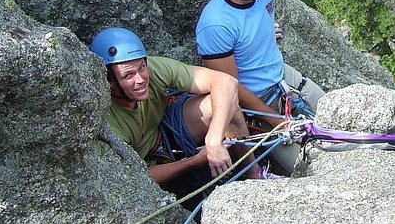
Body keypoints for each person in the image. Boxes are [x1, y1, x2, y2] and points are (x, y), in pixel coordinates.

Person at [195, 0, 325, 174]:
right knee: (309, 169)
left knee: (340, 115)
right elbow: (229, 86)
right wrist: (275, 121)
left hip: (285, 77)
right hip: (257, 104)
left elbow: (257, 19)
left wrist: (264, 33)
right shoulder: (215, 24)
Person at [89, 26, 268, 204]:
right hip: (146, 164)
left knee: (226, 104)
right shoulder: (107, 121)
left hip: (164, 130)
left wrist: (213, 140)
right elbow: (132, 175)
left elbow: (225, 82)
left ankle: (254, 175)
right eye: (128, 75)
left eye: (142, 68)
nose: (140, 79)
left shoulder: (154, 68)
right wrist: (193, 162)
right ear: (109, 82)